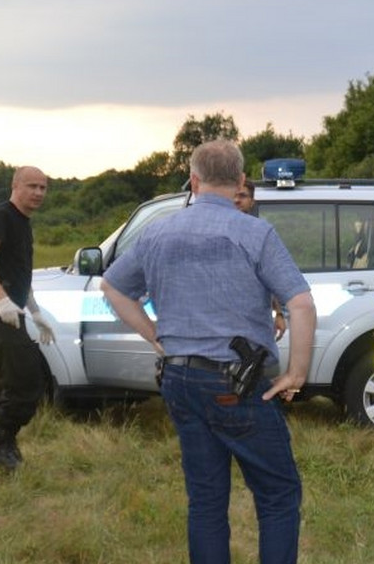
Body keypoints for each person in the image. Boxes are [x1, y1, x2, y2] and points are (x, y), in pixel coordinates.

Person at [102, 140, 316, 564]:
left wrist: (156, 336)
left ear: (193, 180)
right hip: (237, 381)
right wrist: (297, 373)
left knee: (205, 498)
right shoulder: (254, 232)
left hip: (180, 379)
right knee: (277, 495)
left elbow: (112, 287)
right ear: (240, 181)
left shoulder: (157, 231)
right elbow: (302, 303)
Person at [0, 166, 55, 471]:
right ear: (15, 185)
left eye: (43, 188)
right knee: (28, 378)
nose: (38, 193)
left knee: (3, 380)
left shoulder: (23, 223)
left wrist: (34, 311)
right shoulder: (1, 216)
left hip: (11, 310)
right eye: (32, 186)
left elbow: (19, 274)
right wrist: (2, 300)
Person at [234, 177, 286, 340]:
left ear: (252, 202)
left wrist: (279, 313)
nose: (237, 200)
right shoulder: (215, 232)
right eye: (234, 195)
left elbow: (274, 277)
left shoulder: (261, 236)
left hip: (255, 324)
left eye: (242, 196)